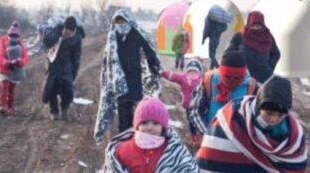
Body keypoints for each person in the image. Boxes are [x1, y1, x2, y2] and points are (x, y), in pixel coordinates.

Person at [93, 10, 161, 142]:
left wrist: (153, 67)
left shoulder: (136, 34)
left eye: (122, 21)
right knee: (123, 112)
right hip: (119, 81)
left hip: (135, 79)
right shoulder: (113, 37)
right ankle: (124, 140)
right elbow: (107, 60)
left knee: (137, 110)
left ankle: (137, 136)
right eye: (117, 22)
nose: (120, 24)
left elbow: (149, 51)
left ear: (128, 21)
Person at [188, 51, 258, 149]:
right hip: (210, 137)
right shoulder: (209, 80)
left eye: (237, 78)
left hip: (239, 144)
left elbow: (256, 118)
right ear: (221, 72)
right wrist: (208, 133)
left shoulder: (252, 86)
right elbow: (195, 110)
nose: (232, 80)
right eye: (228, 77)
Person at [42, 16, 83, 121]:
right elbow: (46, 41)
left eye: (69, 30)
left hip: (66, 67)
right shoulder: (57, 30)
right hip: (53, 64)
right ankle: (54, 111)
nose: (66, 32)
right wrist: (57, 34)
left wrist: (75, 71)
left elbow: (77, 56)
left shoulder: (76, 38)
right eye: (65, 29)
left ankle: (65, 110)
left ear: (73, 30)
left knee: (67, 90)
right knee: (51, 88)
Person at [225, 10, 281, 83]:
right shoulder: (240, 36)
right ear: (249, 24)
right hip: (243, 78)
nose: (256, 28)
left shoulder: (268, 37)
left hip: (263, 78)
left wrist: (269, 68)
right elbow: (229, 54)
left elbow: (276, 54)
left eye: (258, 26)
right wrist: (236, 67)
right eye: (253, 25)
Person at [160, 57, 204, 138]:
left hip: (191, 106)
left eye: (193, 71)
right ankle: (200, 134)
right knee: (199, 120)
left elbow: (173, 76)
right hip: (198, 105)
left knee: (191, 122)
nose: (192, 73)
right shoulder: (201, 79)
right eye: (192, 71)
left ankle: (195, 136)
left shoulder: (184, 78)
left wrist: (162, 73)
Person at [0, 22, 29, 115]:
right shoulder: (3, 42)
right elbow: (0, 56)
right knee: (4, 87)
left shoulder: (21, 44)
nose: (14, 37)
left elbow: (25, 56)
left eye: (16, 35)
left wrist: (20, 62)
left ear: (18, 35)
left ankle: (10, 107)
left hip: (15, 71)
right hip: (4, 69)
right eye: (12, 35)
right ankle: (2, 106)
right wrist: (7, 63)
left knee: (11, 90)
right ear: (8, 34)